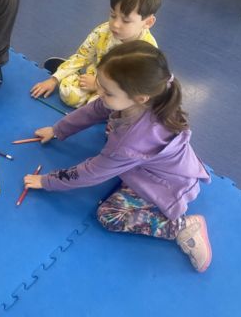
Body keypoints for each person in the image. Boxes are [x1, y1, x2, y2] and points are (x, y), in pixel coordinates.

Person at [24, 41, 212, 272]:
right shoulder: (145, 97)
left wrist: (47, 181)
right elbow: (94, 110)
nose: (99, 93)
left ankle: (183, 227)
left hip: (166, 185)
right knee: (109, 124)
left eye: (108, 92)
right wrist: (58, 130)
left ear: (140, 98)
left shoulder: (129, 142)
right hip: (163, 165)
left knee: (108, 216)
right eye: (100, 84)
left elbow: (91, 173)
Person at [30, 0, 161, 109]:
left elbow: (136, 88)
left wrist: (99, 86)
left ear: (148, 22)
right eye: (113, 15)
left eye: (126, 21)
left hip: (118, 91)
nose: (115, 24)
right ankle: (69, 72)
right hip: (95, 75)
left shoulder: (147, 52)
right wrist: (54, 79)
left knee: (100, 106)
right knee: (67, 94)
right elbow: (82, 56)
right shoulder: (103, 31)